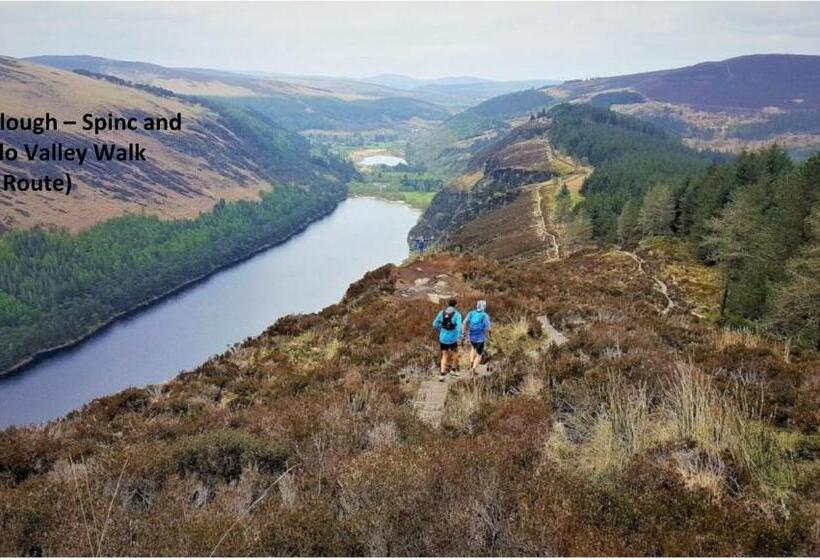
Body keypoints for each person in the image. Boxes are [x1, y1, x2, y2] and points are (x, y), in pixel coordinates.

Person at [432, 298, 462, 381]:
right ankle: (453, 370)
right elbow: (459, 327)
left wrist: (440, 329)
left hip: (443, 338)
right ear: (456, 305)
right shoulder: (457, 315)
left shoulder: (441, 313)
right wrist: (460, 336)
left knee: (444, 355)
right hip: (453, 339)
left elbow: (434, 324)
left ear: (447, 304)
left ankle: (442, 374)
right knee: (455, 354)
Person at [462, 300, 492, 374]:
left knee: (473, 348)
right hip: (480, 337)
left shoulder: (471, 313)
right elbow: (488, 328)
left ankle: (471, 363)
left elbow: (465, 322)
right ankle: (473, 369)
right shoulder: (485, 315)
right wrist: (490, 335)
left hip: (471, 335)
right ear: (484, 307)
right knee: (479, 354)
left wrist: (464, 331)